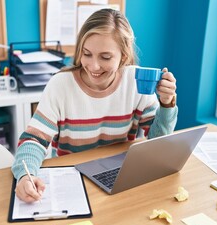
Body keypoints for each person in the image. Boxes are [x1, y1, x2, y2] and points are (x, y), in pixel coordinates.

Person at [12, 8, 178, 203]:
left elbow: (156, 144)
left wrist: (167, 104)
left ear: (123, 57)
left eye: (105, 57)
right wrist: (25, 175)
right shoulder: (60, 85)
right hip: (71, 179)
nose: (93, 66)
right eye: (87, 54)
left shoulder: (136, 80)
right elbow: (33, 140)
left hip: (118, 177)